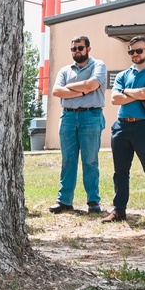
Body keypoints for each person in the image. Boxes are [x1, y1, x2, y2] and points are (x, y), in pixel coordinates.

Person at [103, 36, 145, 226]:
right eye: (131, 51)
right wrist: (140, 93)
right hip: (122, 126)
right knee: (120, 172)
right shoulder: (124, 74)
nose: (134, 54)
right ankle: (119, 210)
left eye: (139, 50)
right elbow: (115, 99)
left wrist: (130, 92)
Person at [49, 36, 107, 215]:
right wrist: (83, 90)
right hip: (67, 117)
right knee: (68, 160)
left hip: (91, 115)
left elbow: (92, 85)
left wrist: (73, 89)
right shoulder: (65, 70)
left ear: (88, 48)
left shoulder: (98, 66)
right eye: (73, 49)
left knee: (90, 160)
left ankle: (93, 202)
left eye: (80, 48)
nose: (77, 51)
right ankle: (64, 201)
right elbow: (57, 91)